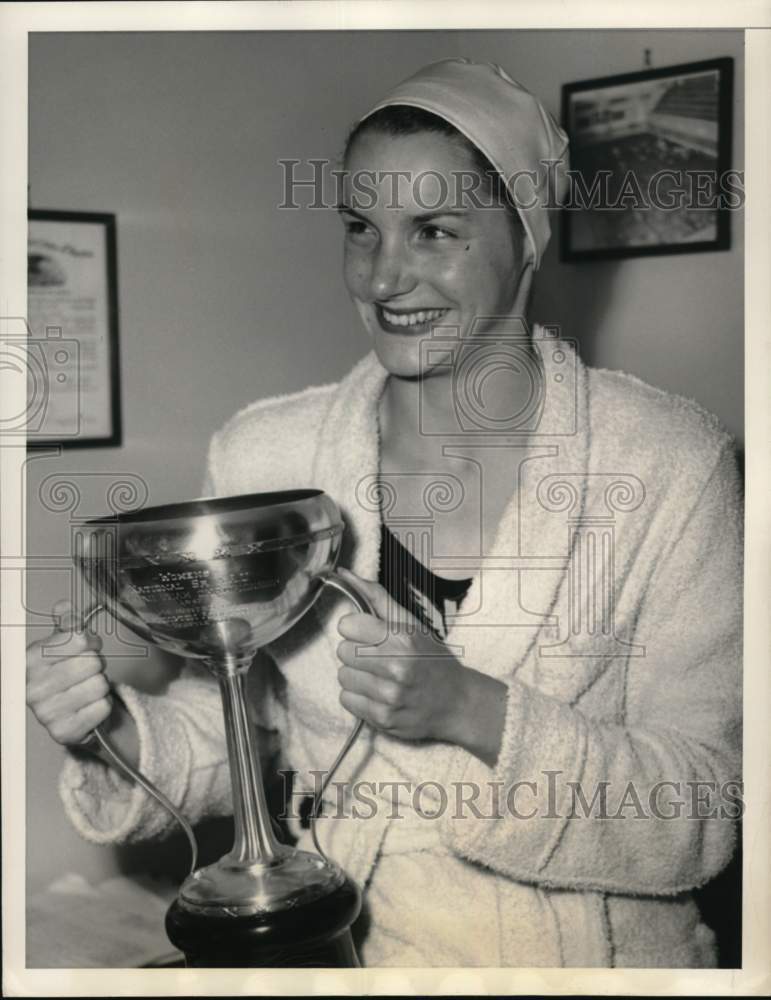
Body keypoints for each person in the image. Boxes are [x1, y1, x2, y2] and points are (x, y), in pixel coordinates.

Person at [26, 58, 742, 967]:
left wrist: (470, 709)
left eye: (433, 231)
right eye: (360, 229)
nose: (383, 277)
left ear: (528, 237)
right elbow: (244, 727)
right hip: (355, 955)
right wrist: (112, 732)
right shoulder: (267, 457)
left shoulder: (669, 464)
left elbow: (705, 809)